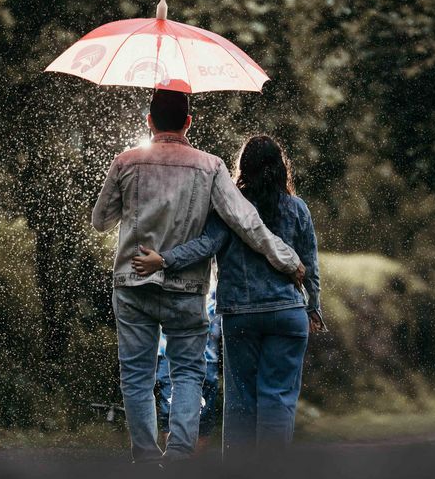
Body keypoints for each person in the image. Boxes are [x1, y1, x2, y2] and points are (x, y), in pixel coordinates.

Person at [91, 88, 305, 463]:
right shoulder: (210, 166)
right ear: (188, 122)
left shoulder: (125, 162)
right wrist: (287, 259)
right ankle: (178, 456)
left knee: (137, 375)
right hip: (186, 288)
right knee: (188, 371)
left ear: (148, 120)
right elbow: (245, 221)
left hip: (132, 284)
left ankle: (144, 457)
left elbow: (100, 221)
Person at [132, 135, 323, 459]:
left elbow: (204, 246)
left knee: (241, 402)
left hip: (241, 315)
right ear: (280, 169)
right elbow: (310, 265)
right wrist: (313, 307)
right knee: (278, 399)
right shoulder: (297, 208)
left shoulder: (228, 207)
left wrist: (164, 259)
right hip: (288, 314)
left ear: (242, 168)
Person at [155, 288, 222, 451]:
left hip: (207, 352)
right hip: (167, 350)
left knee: (204, 414)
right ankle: (174, 464)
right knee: (169, 410)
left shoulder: (216, 267)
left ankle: (190, 468)